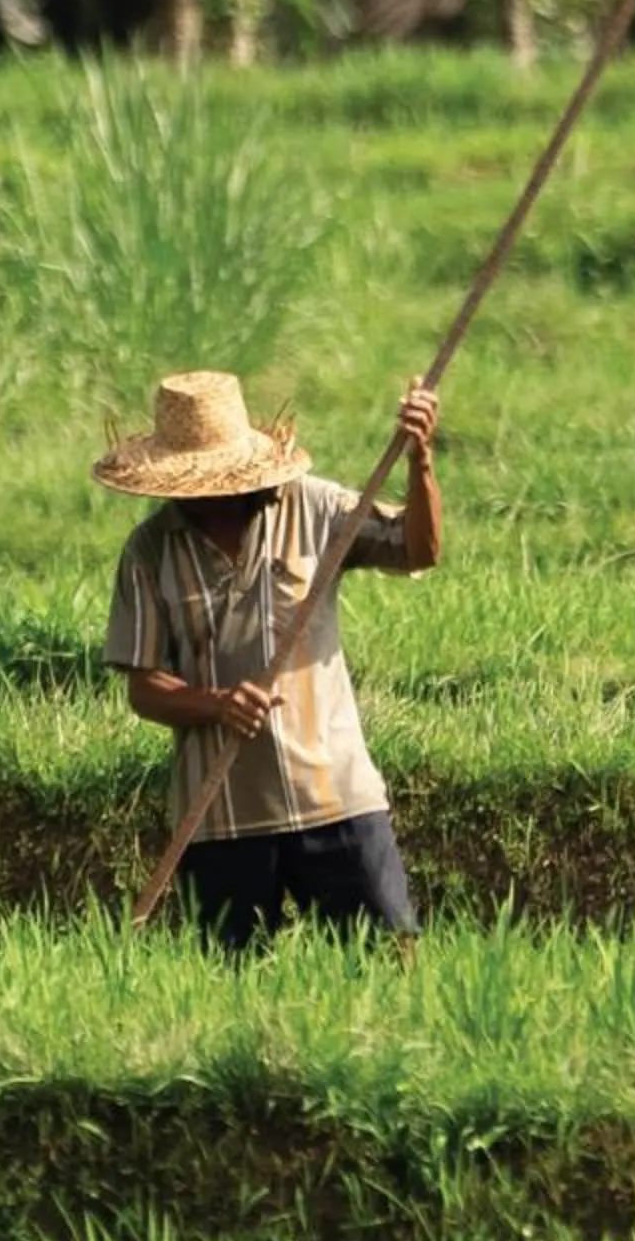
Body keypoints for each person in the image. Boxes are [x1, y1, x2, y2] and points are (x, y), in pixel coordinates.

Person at [97, 368, 443, 950]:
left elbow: (418, 548)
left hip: (334, 798)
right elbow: (144, 686)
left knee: (386, 959)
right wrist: (215, 704)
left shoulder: (317, 510)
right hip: (220, 815)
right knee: (229, 983)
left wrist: (420, 461)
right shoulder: (151, 551)